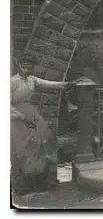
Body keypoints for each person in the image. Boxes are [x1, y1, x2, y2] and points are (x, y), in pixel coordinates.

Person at [10, 58, 78, 194]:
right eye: (24, 67)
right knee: (25, 146)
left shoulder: (32, 79)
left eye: (29, 68)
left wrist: (68, 84)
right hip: (17, 116)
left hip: (32, 113)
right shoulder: (12, 81)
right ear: (19, 67)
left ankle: (42, 180)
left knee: (43, 143)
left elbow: (49, 84)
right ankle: (23, 184)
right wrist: (21, 117)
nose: (26, 70)